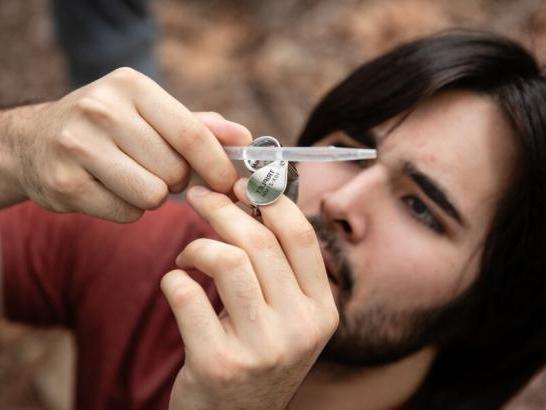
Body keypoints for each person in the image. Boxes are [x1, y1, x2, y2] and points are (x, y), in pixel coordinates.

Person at [1, 30, 546, 409]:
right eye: (345, 151)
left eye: (421, 208)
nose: (340, 204)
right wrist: (16, 148)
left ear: (493, 296)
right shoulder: (168, 257)